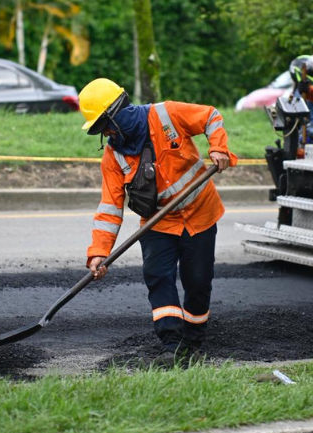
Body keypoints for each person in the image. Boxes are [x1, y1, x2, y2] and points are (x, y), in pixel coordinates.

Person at [78, 78, 237, 368]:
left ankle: (193, 341)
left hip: (200, 215)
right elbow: (110, 206)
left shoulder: (167, 114)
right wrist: (99, 251)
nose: (108, 134)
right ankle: (172, 344)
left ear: (119, 113)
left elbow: (211, 116)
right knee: (158, 277)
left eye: (107, 125)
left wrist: (219, 147)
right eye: (101, 131)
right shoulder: (113, 155)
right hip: (157, 223)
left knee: (198, 282)